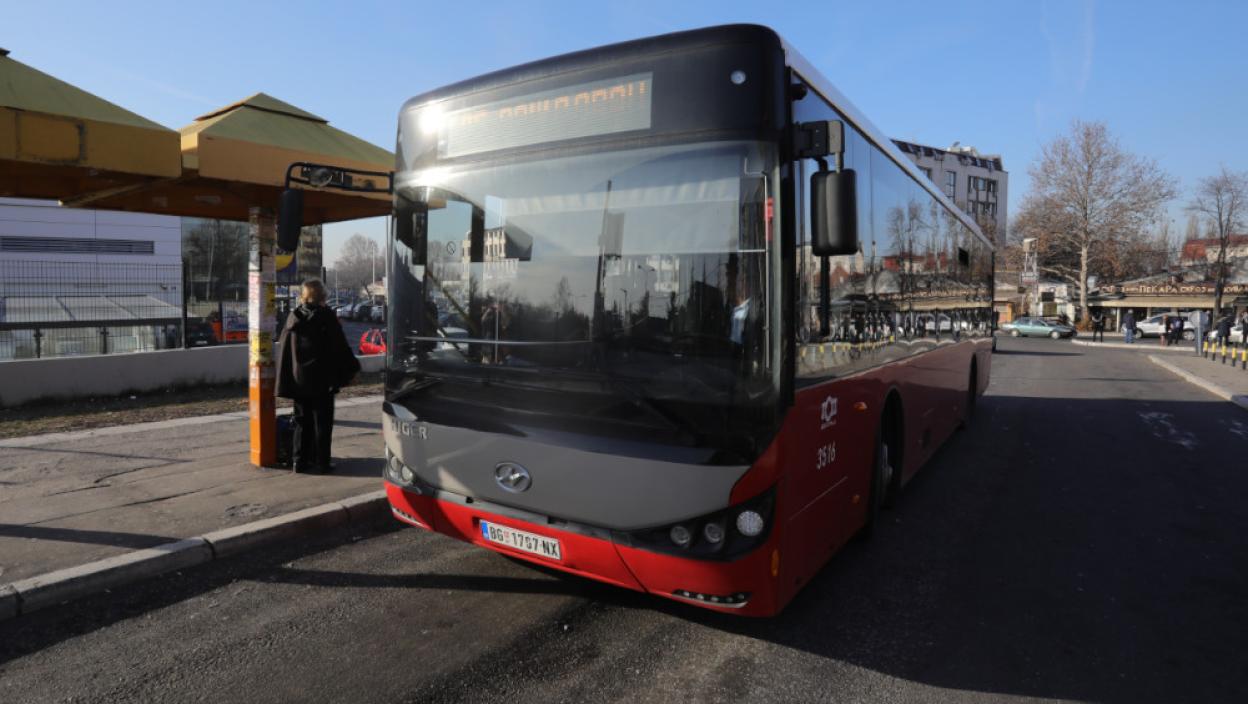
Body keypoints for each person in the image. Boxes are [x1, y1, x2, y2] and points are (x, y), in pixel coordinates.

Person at [276, 279, 360, 473]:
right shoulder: (326, 317)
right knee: (322, 423)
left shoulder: (293, 318)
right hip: (322, 381)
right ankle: (322, 462)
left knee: (301, 421)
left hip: (299, 380)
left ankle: (299, 461)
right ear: (322, 296)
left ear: (304, 296)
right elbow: (340, 346)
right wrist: (353, 367)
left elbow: (285, 349)